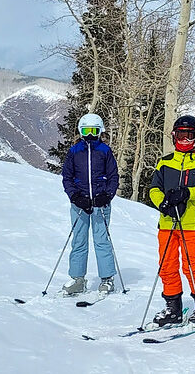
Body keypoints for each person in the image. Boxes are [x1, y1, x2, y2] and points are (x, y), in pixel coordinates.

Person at [148, 114, 195, 327]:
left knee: (191, 265)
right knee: (167, 266)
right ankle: (173, 308)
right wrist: (162, 204)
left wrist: (188, 193)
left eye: (189, 136)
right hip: (168, 223)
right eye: (180, 135)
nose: (184, 140)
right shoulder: (165, 162)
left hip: (190, 225)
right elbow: (154, 189)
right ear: (174, 137)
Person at [60, 113, 119, 295]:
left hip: (100, 204)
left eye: (94, 131)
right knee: (79, 240)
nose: (91, 135)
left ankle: (107, 279)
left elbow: (113, 177)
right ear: (81, 131)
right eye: (87, 131)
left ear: (100, 131)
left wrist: (107, 196)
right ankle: (78, 279)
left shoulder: (105, 151)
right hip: (80, 204)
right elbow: (67, 177)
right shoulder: (74, 151)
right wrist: (75, 196)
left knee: (102, 240)